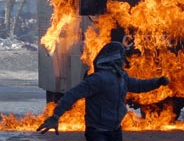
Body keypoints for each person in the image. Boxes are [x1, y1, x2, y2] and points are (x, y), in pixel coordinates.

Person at [37, 41, 170, 141]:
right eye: (121, 58)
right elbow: (72, 95)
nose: (123, 61)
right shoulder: (97, 79)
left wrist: (158, 82)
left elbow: (139, 86)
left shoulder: (121, 77)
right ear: (114, 61)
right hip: (97, 133)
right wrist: (55, 116)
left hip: (115, 130)